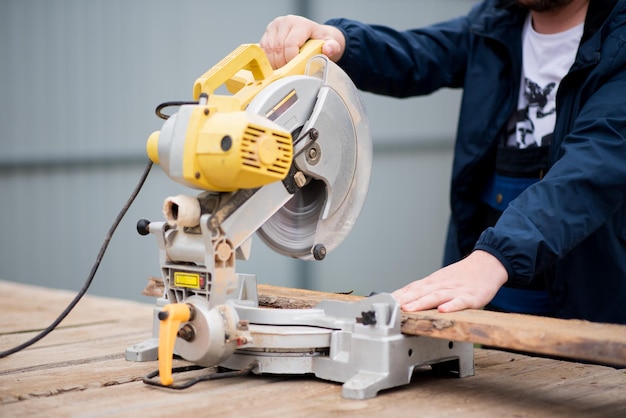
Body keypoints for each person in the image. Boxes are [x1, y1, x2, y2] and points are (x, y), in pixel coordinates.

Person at [260, 0, 626, 325]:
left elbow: (588, 171)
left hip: (585, 289)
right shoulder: (495, 20)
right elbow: (417, 53)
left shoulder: (619, 41)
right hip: (484, 282)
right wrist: (338, 40)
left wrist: (491, 259)